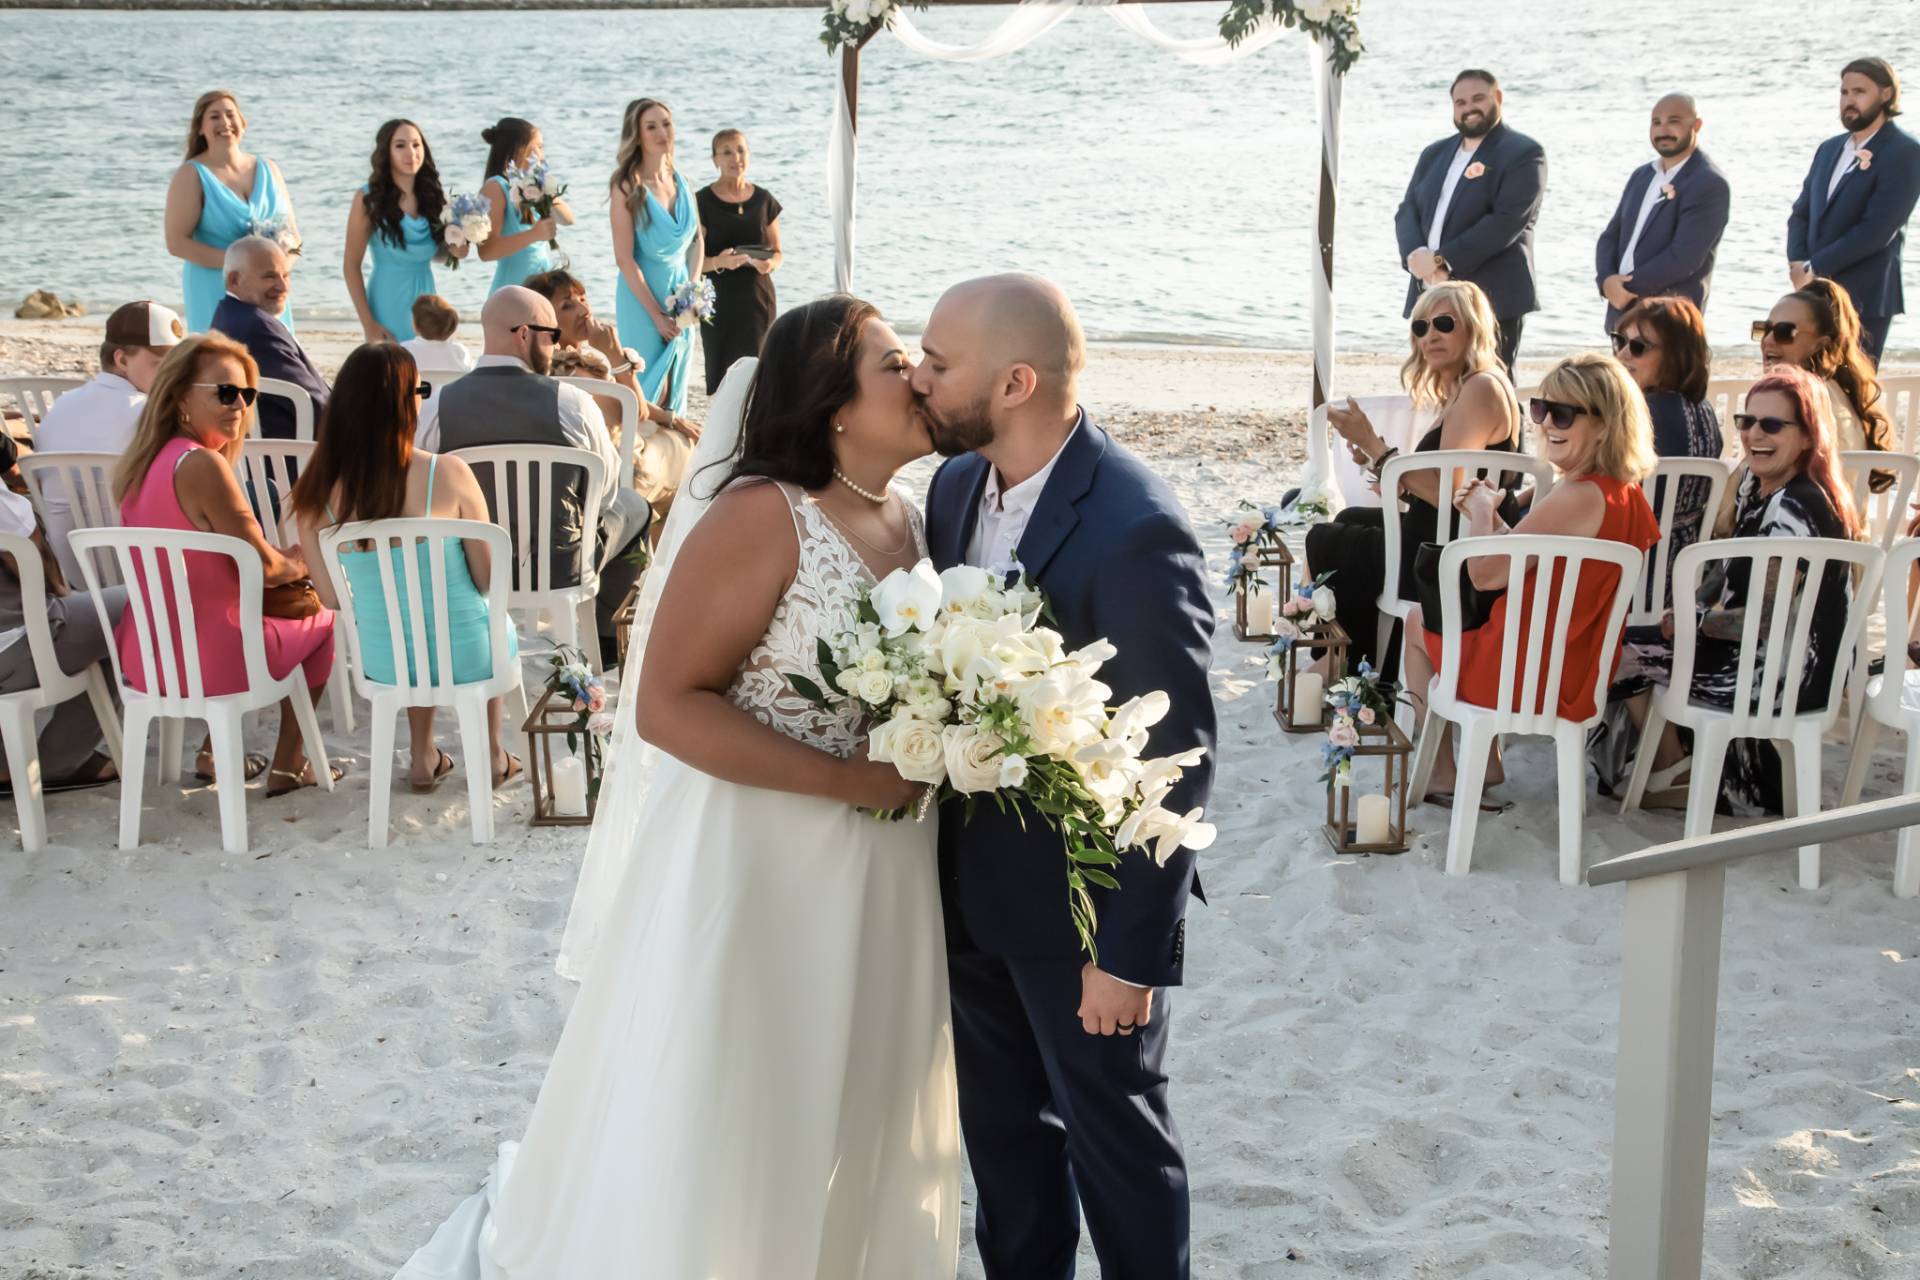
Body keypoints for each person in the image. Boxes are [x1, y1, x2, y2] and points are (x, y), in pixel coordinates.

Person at [392, 296, 958, 1276]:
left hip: (889, 864)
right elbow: (665, 705)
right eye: (892, 361)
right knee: (750, 1091)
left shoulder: (912, 519)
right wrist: (844, 777)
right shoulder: (761, 515)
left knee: (858, 1083)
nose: (916, 379)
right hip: (762, 862)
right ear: (830, 402)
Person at [915, 275, 1216, 1280]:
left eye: (938, 361)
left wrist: (1128, 954)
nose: (917, 377)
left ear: (1014, 382)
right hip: (971, 899)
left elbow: (1174, 758)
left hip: (1084, 917)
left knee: (1118, 1150)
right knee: (1006, 1153)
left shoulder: (1134, 526)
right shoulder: (955, 490)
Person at [1402, 354, 1660, 800]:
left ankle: (1448, 768)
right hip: (1575, 669)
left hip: (1522, 673)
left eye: (1564, 414)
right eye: (1541, 409)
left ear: (1605, 424)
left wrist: (1483, 510)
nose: (1547, 424)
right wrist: (1502, 526)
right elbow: (1538, 556)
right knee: (1436, 621)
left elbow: (1484, 575)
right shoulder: (1627, 495)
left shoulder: (1578, 495)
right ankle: (1484, 762)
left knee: (1413, 623)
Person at [1630, 366, 1864, 815]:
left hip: (1788, 674)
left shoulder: (1798, 506)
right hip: (1769, 655)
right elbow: (1724, 567)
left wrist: (1696, 623)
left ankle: (1674, 766)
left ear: (1808, 436)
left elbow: (1762, 621)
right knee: (1633, 641)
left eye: (1772, 424)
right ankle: (1689, 767)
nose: (1754, 432)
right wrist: (1692, 604)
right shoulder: (1758, 487)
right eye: (1746, 421)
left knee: (1618, 655)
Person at [111, 334, 338, 796]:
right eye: (225, 392)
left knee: (238, 611)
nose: (239, 405)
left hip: (148, 653)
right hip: (212, 659)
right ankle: (290, 765)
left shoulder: (142, 464)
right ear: (177, 396)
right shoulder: (202, 466)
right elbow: (266, 569)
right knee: (323, 621)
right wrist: (300, 563)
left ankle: (215, 752)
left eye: (246, 394)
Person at [291, 343, 520, 792]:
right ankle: (493, 753)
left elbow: (333, 599)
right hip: (469, 656)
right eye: (420, 390)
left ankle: (422, 756)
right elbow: (487, 581)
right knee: (483, 620)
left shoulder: (316, 495)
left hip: (386, 661)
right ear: (404, 403)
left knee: (410, 627)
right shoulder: (447, 473)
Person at [1305, 280, 1523, 677]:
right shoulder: (1468, 387)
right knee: (1348, 518)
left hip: (1448, 555)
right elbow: (1443, 488)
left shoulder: (1481, 389)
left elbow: (1451, 493)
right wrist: (1384, 467)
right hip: (1446, 535)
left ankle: (1353, 663)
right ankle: (1363, 658)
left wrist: (1374, 445)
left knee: (1324, 539)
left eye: (1443, 323)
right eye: (1420, 328)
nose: (1430, 335)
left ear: (1473, 327)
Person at [433, 286, 650, 653]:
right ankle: (608, 645)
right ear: (523, 335)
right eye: (551, 336)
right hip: (558, 568)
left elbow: (424, 489)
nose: (555, 346)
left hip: (473, 567)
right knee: (636, 507)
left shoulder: (438, 404)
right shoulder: (571, 402)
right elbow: (606, 491)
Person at [1394, 69, 1546, 374]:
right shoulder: (1434, 154)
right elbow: (1407, 210)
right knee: (1436, 382)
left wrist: (1441, 259)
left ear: (1498, 99)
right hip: (1429, 291)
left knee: (1491, 382)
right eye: (1460, 102)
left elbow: (1506, 221)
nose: (1469, 108)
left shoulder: (1523, 153)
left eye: (1478, 99)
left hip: (1491, 294)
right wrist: (1416, 258)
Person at [524, 267, 700, 512]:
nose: (584, 311)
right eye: (567, 306)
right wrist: (616, 358)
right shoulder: (571, 372)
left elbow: (628, 405)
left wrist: (671, 417)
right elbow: (633, 413)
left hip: (606, 464)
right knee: (690, 453)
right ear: (543, 320)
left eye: (583, 300)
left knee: (680, 437)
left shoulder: (557, 362)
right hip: (620, 473)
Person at [35, 300, 185, 584]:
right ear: (121, 360)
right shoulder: (152, 414)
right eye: (160, 364)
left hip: (76, 575)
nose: (173, 375)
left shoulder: (59, 408)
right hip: (147, 573)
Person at [0, 449, 123, 794]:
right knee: (136, 608)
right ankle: (60, 762)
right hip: (13, 649)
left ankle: (3, 764)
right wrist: (59, 586)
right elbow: (31, 564)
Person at [1788, 57, 1920, 365]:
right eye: (1844, 92)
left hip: (1865, 297)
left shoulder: (1905, 152)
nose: (1849, 101)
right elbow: (1801, 213)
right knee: (1810, 389)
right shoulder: (1829, 149)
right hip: (1812, 294)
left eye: (1859, 92)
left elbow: (1876, 231)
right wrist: (1797, 263)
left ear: (1886, 95)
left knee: (1851, 394)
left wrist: (1814, 268)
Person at [1595, 94, 1732, 333]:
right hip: (1621, 314)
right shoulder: (1642, 175)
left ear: (1696, 125)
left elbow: (1684, 258)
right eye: (1656, 122)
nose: (1663, 130)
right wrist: (1607, 281)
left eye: (1674, 121)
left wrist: (1625, 289)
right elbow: (1611, 235)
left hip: (1669, 320)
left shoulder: (1709, 182)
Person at [165, 90, 297, 335]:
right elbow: (176, 244)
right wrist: (240, 267)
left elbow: (295, 239)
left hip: (271, 291)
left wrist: (279, 273)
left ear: (243, 124)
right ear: (200, 128)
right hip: (216, 287)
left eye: (230, 115)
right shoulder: (192, 175)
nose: (225, 122)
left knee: (276, 363)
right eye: (214, 117)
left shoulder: (269, 169)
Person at [610, 98, 703, 419]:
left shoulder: (682, 181)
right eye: (651, 126)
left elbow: (697, 243)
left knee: (676, 388)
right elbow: (624, 259)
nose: (662, 131)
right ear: (637, 135)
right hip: (641, 299)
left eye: (666, 123)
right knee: (647, 388)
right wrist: (656, 315)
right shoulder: (626, 186)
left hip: (682, 299)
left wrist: (691, 295)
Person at [345, 119, 464, 343]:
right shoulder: (368, 199)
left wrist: (458, 251)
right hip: (387, 298)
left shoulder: (435, 199)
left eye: (416, 145)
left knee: (428, 372)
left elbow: (439, 256)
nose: (410, 152)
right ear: (386, 151)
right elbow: (350, 266)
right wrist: (369, 324)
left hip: (427, 299)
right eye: (400, 145)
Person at [1755, 279, 1895, 456]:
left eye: (1785, 332)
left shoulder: (1795, 400)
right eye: (1764, 329)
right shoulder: (1841, 392)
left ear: (1820, 343)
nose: (1767, 341)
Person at [210, 236, 330, 441]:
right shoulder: (257, 329)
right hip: (296, 457)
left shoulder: (227, 314)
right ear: (234, 280)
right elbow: (313, 405)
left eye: (286, 275)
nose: (283, 287)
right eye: (270, 277)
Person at [696, 128, 784, 394]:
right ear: (715, 160)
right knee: (723, 376)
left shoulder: (764, 200)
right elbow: (695, 263)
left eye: (741, 150)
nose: (736, 158)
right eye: (727, 152)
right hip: (717, 300)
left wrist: (769, 265)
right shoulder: (702, 201)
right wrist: (720, 262)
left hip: (757, 298)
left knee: (760, 372)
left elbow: (778, 252)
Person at [477, 117, 572, 296]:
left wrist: (544, 189)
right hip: (513, 292)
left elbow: (568, 219)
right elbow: (486, 251)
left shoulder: (531, 188)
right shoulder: (495, 187)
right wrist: (534, 234)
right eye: (539, 147)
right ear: (520, 150)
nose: (542, 155)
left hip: (543, 290)